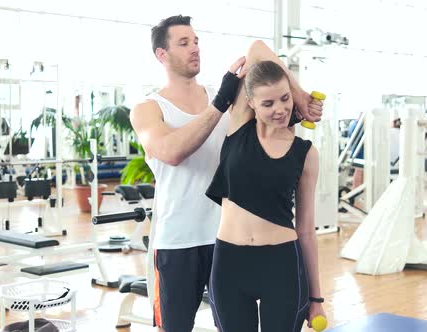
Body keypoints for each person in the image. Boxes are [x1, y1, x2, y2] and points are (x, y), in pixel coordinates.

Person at [130, 15, 323, 332]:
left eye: (196, 41)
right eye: (183, 43)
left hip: (226, 242)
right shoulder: (149, 108)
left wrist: (299, 96)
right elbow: (170, 151)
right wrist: (219, 103)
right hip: (178, 241)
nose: (194, 48)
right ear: (161, 55)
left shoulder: (225, 97)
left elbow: (258, 50)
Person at [205, 58, 326, 330]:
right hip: (229, 265)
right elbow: (255, 49)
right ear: (250, 102)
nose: (281, 110)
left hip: (281, 264)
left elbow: (306, 229)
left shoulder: (305, 154)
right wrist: (298, 92)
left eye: (285, 99)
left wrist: (316, 297)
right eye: (268, 103)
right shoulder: (237, 127)